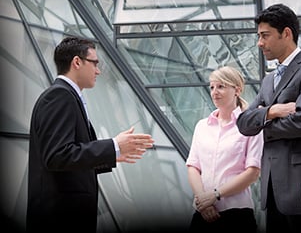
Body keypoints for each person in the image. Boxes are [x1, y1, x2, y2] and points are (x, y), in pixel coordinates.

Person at [26, 36, 155, 233]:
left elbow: (68, 156)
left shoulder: (66, 96)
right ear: (77, 62)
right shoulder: (59, 96)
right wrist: (113, 145)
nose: (98, 70)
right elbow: (57, 156)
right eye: (95, 63)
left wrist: (112, 155)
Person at [236, 3, 301, 233]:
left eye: (265, 36)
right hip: (272, 189)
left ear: (286, 33)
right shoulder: (269, 80)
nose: (260, 43)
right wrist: (272, 112)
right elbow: (243, 123)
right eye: (259, 36)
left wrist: (263, 124)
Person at [186, 66, 264, 233]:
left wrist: (214, 195)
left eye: (221, 86)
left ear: (237, 90)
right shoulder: (202, 126)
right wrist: (203, 200)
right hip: (203, 213)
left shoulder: (250, 126)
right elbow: (193, 166)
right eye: (212, 87)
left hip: (237, 215)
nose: (215, 92)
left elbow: (253, 172)